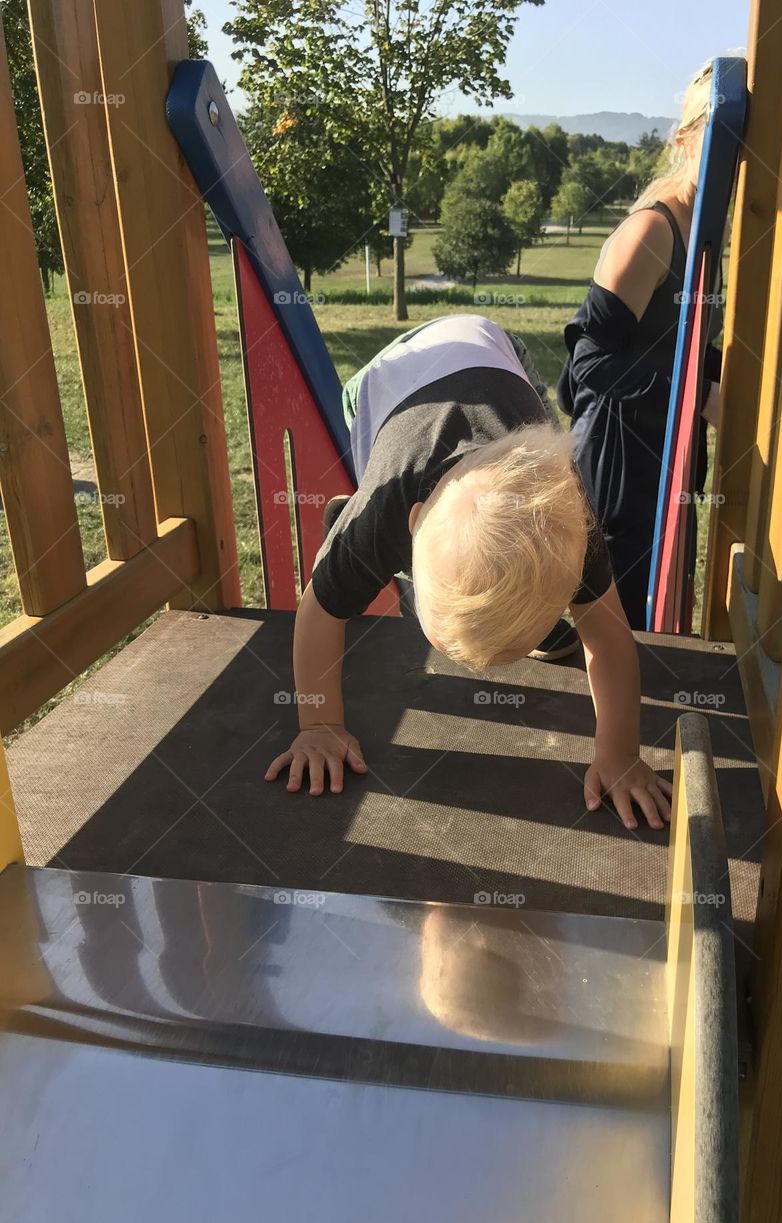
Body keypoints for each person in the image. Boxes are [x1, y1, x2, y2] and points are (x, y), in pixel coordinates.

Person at [264, 313, 672, 830]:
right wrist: (319, 725)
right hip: (390, 379)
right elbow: (318, 614)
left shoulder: (567, 522)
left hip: (497, 352)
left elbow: (609, 638)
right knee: (354, 559)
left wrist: (621, 753)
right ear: (413, 524)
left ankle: (510, 600)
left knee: (510, 557)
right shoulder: (393, 500)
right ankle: (344, 535)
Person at [557, 60, 724, 629]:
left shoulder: (709, 235)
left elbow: (682, 343)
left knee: (660, 626)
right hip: (618, 467)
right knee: (617, 636)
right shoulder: (652, 232)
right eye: (721, 135)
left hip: (670, 464)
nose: (736, 156)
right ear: (686, 137)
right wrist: (699, 394)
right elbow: (590, 363)